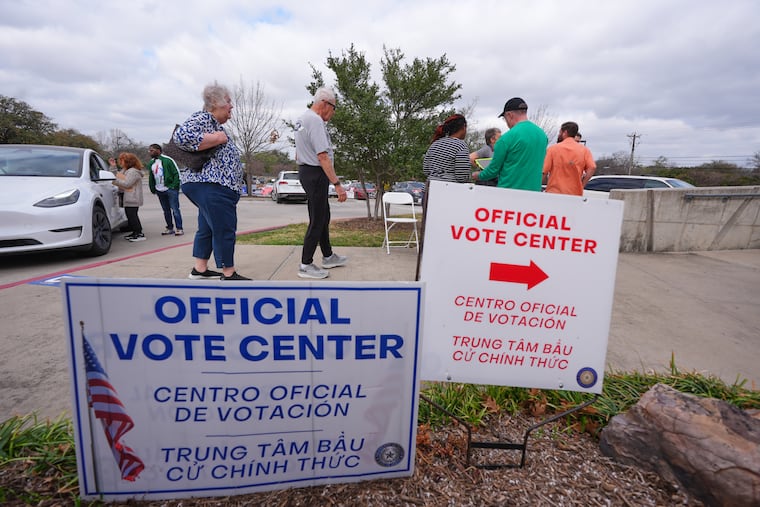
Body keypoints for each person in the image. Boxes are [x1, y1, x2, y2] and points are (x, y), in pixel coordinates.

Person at [174, 82, 250, 281]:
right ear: (215, 102)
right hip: (212, 185)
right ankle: (228, 272)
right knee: (224, 227)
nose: (231, 106)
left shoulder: (213, 123)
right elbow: (182, 137)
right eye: (228, 102)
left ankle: (199, 269)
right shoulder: (204, 118)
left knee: (207, 227)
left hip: (212, 185)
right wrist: (218, 138)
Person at [293, 87, 348, 279]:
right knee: (317, 219)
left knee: (324, 215)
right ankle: (306, 264)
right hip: (315, 173)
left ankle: (328, 256)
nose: (332, 113)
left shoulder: (301, 119)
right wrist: (338, 184)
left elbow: (298, 152)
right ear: (325, 104)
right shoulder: (315, 121)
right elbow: (323, 156)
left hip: (307, 171)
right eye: (333, 109)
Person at [472, 97, 547, 191]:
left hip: (509, 194)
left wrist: (477, 175)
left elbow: (493, 171)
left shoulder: (506, 139)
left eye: (505, 118)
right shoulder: (542, 135)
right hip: (534, 192)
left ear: (509, 115)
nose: (506, 122)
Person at [543, 121, 597, 196]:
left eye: (560, 132)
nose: (559, 135)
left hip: (554, 193)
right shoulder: (584, 150)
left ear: (565, 132)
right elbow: (592, 167)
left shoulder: (552, 149)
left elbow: (544, 172)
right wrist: (582, 184)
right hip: (575, 194)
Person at [147, 144, 184, 236]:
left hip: (170, 189)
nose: (150, 152)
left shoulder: (168, 160)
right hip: (159, 189)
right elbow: (151, 176)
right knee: (166, 210)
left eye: (152, 150)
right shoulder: (152, 163)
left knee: (175, 209)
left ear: (158, 150)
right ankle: (169, 227)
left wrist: (174, 186)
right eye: (149, 150)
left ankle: (179, 228)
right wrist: (153, 188)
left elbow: (176, 174)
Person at [422, 114, 471, 184]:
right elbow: (462, 176)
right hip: (449, 189)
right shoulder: (461, 146)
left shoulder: (435, 144)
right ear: (463, 127)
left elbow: (426, 170)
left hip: (430, 187)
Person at [110, 152, 145, 242]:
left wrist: (114, 181)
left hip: (133, 197)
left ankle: (139, 233)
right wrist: (113, 167)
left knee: (132, 216)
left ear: (128, 161)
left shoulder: (133, 172)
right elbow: (118, 176)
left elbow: (127, 184)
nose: (120, 163)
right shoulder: (126, 170)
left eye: (122, 161)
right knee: (130, 216)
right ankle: (135, 232)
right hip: (129, 197)